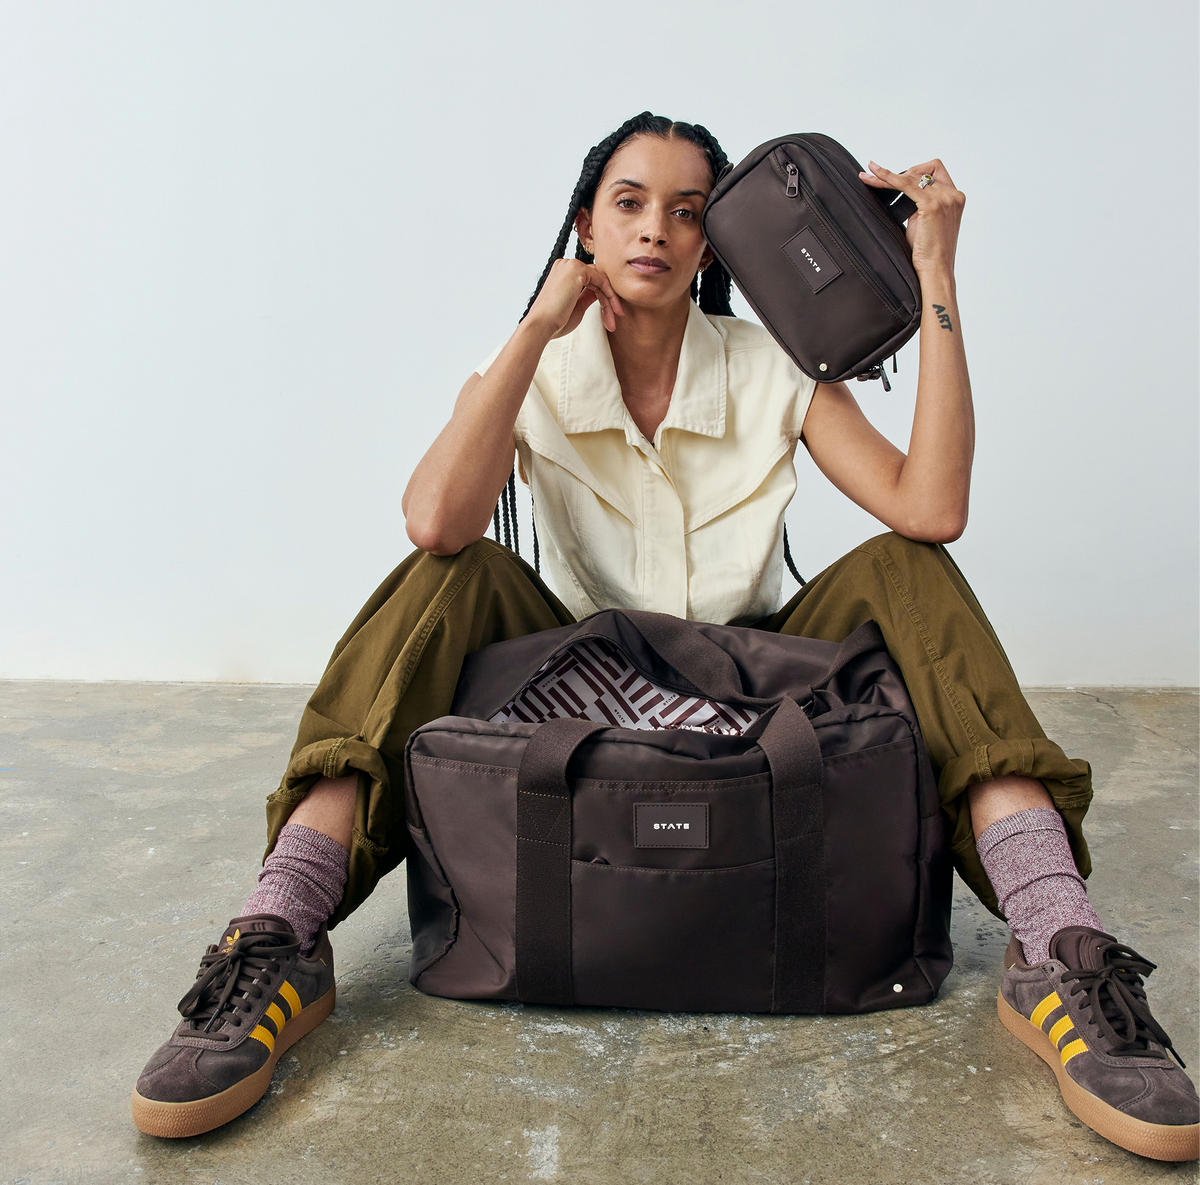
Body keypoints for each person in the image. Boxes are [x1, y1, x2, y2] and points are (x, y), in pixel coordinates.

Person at [130, 112, 1200, 1161]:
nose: (655, 231)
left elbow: (932, 506)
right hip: (579, 671)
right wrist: (534, 332)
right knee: (442, 575)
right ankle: (274, 938)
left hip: (762, 678)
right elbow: (434, 518)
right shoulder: (534, 366)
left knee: (911, 568)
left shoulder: (774, 363)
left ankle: (1061, 948)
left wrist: (938, 279)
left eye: (687, 213)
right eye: (628, 203)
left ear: (715, 244)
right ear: (583, 227)